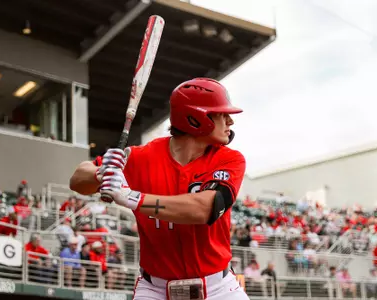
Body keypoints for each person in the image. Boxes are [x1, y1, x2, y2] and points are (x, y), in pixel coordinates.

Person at [70, 78, 247, 300]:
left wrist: (131, 197)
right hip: (155, 290)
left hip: (218, 288)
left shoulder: (230, 159)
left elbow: (206, 208)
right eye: (221, 114)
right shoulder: (140, 157)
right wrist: (102, 172)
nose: (230, 121)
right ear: (196, 118)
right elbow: (77, 179)